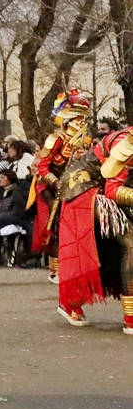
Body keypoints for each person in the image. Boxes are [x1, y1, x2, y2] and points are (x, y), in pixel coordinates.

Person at [54, 128, 131, 334]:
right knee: (130, 243)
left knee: (112, 252)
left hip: (112, 189)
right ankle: (131, 317)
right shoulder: (127, 142)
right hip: (87, 189)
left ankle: (72, 300)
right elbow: (113, 190)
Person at [31, 90, 90, 284]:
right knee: (56, 224)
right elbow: (42, 166)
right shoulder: (54, 139)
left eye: (83, 119)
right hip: (51, 185)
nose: (81, 122)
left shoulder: (86, 142)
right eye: (77, 119)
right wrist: (56, 182)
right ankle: (55, 269)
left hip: (75, 186)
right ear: (67, 120)